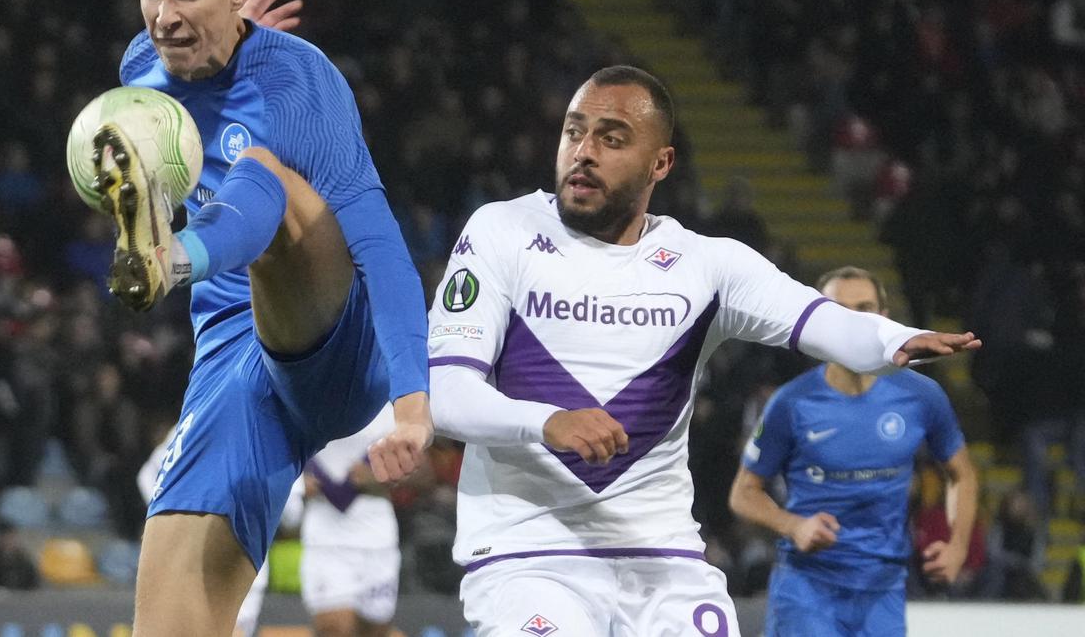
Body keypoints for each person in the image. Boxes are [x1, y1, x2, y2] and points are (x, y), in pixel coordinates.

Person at [402, 65, 980, 636]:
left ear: (661, 163)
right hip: (528, 554)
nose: (583, 151)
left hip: (662, 560)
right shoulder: (501, 232)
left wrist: (894, 338)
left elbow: (815, 317)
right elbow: (449, 396)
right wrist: (548, 421)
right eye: (574, 131)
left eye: (612, 138)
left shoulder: (706, 264)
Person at [97, 0, 431, 636]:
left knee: (265, 175)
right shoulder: (141, 70)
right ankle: (172, 255)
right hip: (232, 361)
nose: (164, 16)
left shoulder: (303, 87)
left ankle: (171, 257)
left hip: (336, 344)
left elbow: (379, 243)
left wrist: (413, 401)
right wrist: (228, 57)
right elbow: (217, 89)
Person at [729, 266, 979, 636]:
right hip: (807, 587)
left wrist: (958, 547)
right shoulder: (791, 403)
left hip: (884, 590)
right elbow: (743, 494)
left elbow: (963, 474)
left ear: (885, 318)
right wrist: (793, 525)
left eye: (864, 309)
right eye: (838, 311)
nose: (853, 321)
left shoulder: (922, 395)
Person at [299, 407, 401, 637]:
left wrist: (386, 475)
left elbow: (423, 474)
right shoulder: (304, 388)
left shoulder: (391, 397)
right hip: (326, 538)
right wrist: (296, 482)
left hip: (377, 536)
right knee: (334, 629)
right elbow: (277, 442)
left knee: (375, 631)